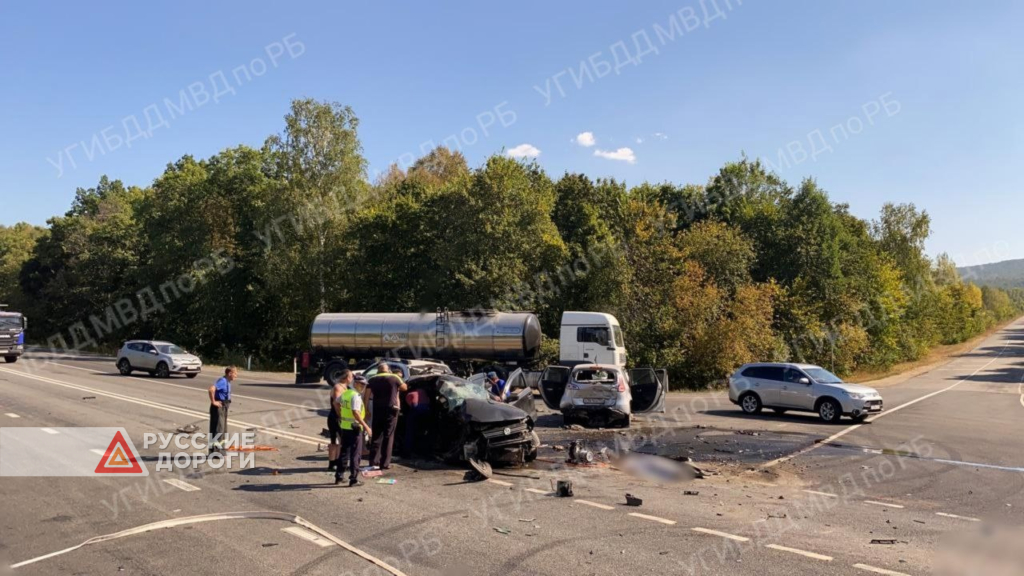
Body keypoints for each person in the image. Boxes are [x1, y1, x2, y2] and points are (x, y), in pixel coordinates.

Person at [366, 362, 407, 469]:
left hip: (377, 408)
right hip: (391, 409)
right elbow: (404, 388)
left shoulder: (372, 379)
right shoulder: (394, 377)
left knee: (376, 435)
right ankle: (384, 463)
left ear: (378, 370)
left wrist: (366, 409)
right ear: (388, 369)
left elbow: (366, 396)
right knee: (389, 435)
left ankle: (373, 461)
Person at [336, 373, 371, 486]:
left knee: (344, 452)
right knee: (355, 454)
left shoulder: (346, 393)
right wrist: (366, 426)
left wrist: (341, 415)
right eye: (361, 384)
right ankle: (353, 479)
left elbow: (336, 402)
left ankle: (339, 476)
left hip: (345, 426)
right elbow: (356, 412)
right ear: (355, 383)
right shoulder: (355, 396)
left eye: (364, 385)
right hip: (355, 428)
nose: (363, 386)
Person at [327, 369, 353, 471]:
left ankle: (339, 462)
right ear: (347, 377)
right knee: (335, 440)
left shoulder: (347, 388)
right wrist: (341, 416)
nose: (352, 378)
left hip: (343, 418)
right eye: (351, 376)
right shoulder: (338, 387)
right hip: (336, 417)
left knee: (342, 441)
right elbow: (336, 403)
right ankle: (332, 463)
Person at [208, 367, 237, 453]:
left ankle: (219, 450)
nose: (236, 376)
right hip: (219, 407)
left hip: (224, 406)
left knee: (223, 429)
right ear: (229, 373)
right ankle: (216, 452)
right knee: (218, 429)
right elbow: (211, 389)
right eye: (235, 373)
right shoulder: (222, 381)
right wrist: (213, 401)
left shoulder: (227, 382)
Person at [402, 385, 431, 457]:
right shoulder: (425, 393)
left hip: (414, 412)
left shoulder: (411, 393)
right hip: (426, 412)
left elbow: (409, 403)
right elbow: (428, 401)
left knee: (410, 432)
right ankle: (424, 451)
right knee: (423, 432)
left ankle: (407, 452)